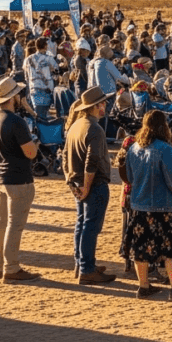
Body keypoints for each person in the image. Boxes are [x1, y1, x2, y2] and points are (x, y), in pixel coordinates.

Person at [123, 111, 172, 301]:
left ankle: (144, 286)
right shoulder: (164, 149)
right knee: (171, 250)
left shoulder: (134, 148)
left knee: (141, 248)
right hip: (166, 207)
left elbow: (129, 177)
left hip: (140, 205)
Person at [0, 76, 41, 283]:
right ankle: (11, 267)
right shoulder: (15, 121)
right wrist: (35, 142)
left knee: (1, 222)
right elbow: (30, 153)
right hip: (17, 178)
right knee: (14, 225)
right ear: (12, 97)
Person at [62, 87, 117, 284]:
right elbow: (91, 161)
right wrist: (85, 186)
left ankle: (83, 263)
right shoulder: (94, 129)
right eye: (103, 103)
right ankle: (87, 269)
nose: (106, 106)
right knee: (91, 227)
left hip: (79, 183)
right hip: (93, 184)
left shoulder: (76, 125)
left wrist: (72, 183)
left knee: (82, 224)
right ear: (96, 106)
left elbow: (65, 157)